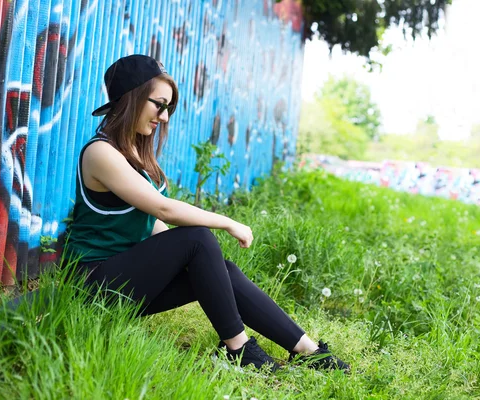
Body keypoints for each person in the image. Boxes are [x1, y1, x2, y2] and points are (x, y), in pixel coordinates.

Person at [65, 54, 350, 372]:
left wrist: (192, 261)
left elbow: (151, 224)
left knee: (220, 269)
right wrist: (227, 223)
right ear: (130, 97)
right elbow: (163, 209)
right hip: (91, 286)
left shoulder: (130, 152)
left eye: (169, 108)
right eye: (159, 104)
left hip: (125, 280)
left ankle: (308, 350)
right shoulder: (101, 152)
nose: (164, 117)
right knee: (198, 239)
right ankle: (238, 349)